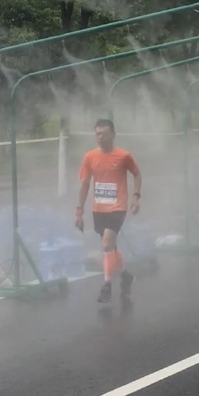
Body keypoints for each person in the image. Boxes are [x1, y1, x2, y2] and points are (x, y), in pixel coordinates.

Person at [75, 119, 142, 303]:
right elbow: (84, 185)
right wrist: (79, 212)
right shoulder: (90, 157)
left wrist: (136, 197)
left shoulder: (123, 156)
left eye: (104, 134)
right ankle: (126, 275)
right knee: (110, 247)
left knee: (106, 244)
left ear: (113, 135)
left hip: (118, 207)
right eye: (97, 134)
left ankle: (107, 286)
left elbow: (137, 173)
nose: (100, 137)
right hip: (99, 208)